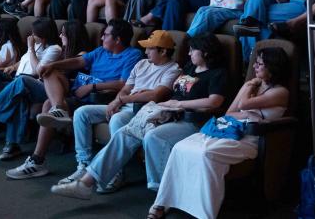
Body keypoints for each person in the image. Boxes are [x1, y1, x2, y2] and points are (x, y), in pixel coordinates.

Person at [50, 31, 216, 198]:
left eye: (150, 49)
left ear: (163, 51)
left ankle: (157, 193)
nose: (145, 52)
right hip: (159, 110)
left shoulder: (188, 71)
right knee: (87, 115)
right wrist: (117, 101)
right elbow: (128, 88)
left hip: (166, 112)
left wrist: (175, 103)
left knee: (130, 127)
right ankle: (85, 179)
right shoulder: (186, 68)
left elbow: (209, 101)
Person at [147, 47, 290, 219]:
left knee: (206, 153)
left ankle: (204, 213)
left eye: (260, 64)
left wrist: (248, 88)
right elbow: (230, 113)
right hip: (229, 129)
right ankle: (163, 201)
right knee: (180, 147)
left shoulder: (280, 92)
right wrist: (249, 101)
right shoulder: (252, 85)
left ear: (272, 67)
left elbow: (243, 104)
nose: (254, 68)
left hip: (252, 138)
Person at [5, 19, 146, 179]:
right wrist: (54, 65)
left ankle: (38, 161)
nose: (101, 38)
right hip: (79, 93)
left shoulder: (133, 55)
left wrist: (92, 87)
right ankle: (58, 110)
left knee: (47, 105)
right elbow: (79, 61)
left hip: (99, 98)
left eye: (105, 35)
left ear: (118, 39)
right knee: (50, 74)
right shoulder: (101, 51)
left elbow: (124, 83)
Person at [0, 18, 64, 161]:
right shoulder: (37, 46)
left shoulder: (54, 49)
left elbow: (37, 70)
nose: (31, 36)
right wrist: (13, 67)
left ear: (44, 34)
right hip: (18, 79)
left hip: (37, 84)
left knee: (19, 87)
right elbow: (24, 60)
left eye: (35, 34)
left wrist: (31, 48)